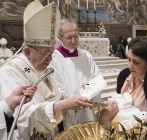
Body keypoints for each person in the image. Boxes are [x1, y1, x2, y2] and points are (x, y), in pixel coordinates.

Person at [0, 1, 92, 139]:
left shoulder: (43, 67)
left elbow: (55, 96)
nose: (50, 59)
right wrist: (62, 105)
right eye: (45, 53)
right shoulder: (10, 71)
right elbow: (23, 116)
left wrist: (69, 102)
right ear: (27, 51)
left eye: (52, 53)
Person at [49, 18, 118, 129]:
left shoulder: (86, 55)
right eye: (69, 38)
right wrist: (72, 100)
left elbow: (97, 78)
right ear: (59, 38)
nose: (73, 41)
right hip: (69, 110)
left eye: (75, 36)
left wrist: (87, 89)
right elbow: (56, 86)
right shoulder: (54, 58)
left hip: (88, 107)